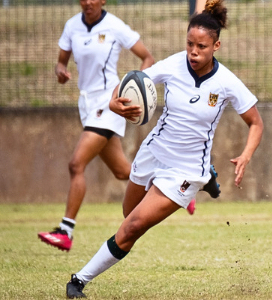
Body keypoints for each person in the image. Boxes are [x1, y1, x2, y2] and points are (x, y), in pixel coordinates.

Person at [64, 0, 264, 297]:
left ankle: (78, 280)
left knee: (131, 229)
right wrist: (113, 104)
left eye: (202, 46)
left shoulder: (226, 82)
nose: (194, 52)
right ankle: (210, 177)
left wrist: (246, 155)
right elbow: (132, 82)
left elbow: (256, 123)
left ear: (216, 46)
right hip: (153, 152)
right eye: (189, 44)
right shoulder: (173, 64)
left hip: (184, 171)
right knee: (128, 214)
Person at [38, 0, 155, 252]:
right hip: (87, 105)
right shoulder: (71, 26)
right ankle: (170, 178)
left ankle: (65, 231)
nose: (88, 2)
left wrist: (137, 87)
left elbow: (147, 57)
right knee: (124, 172)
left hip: (109, 102)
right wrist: (60, 72)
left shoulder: (114, 25)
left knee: (76, 164)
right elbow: (61, 63)